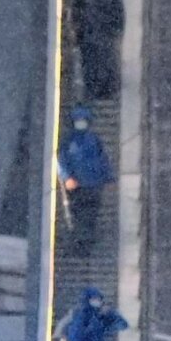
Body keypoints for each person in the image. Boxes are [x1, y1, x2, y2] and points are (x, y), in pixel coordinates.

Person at [57, 105, 115, 256]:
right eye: (78, 120)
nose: (81, 123)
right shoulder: (68, 140)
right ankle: (78, 244)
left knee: (90, 216)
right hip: (77, 186)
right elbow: (61, 160)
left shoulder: (93, 139)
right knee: (78, 215)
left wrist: (108, 176)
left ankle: (86, 244)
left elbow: (102, 159)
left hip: (94, 184)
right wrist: (67, 177)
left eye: (83, 120)